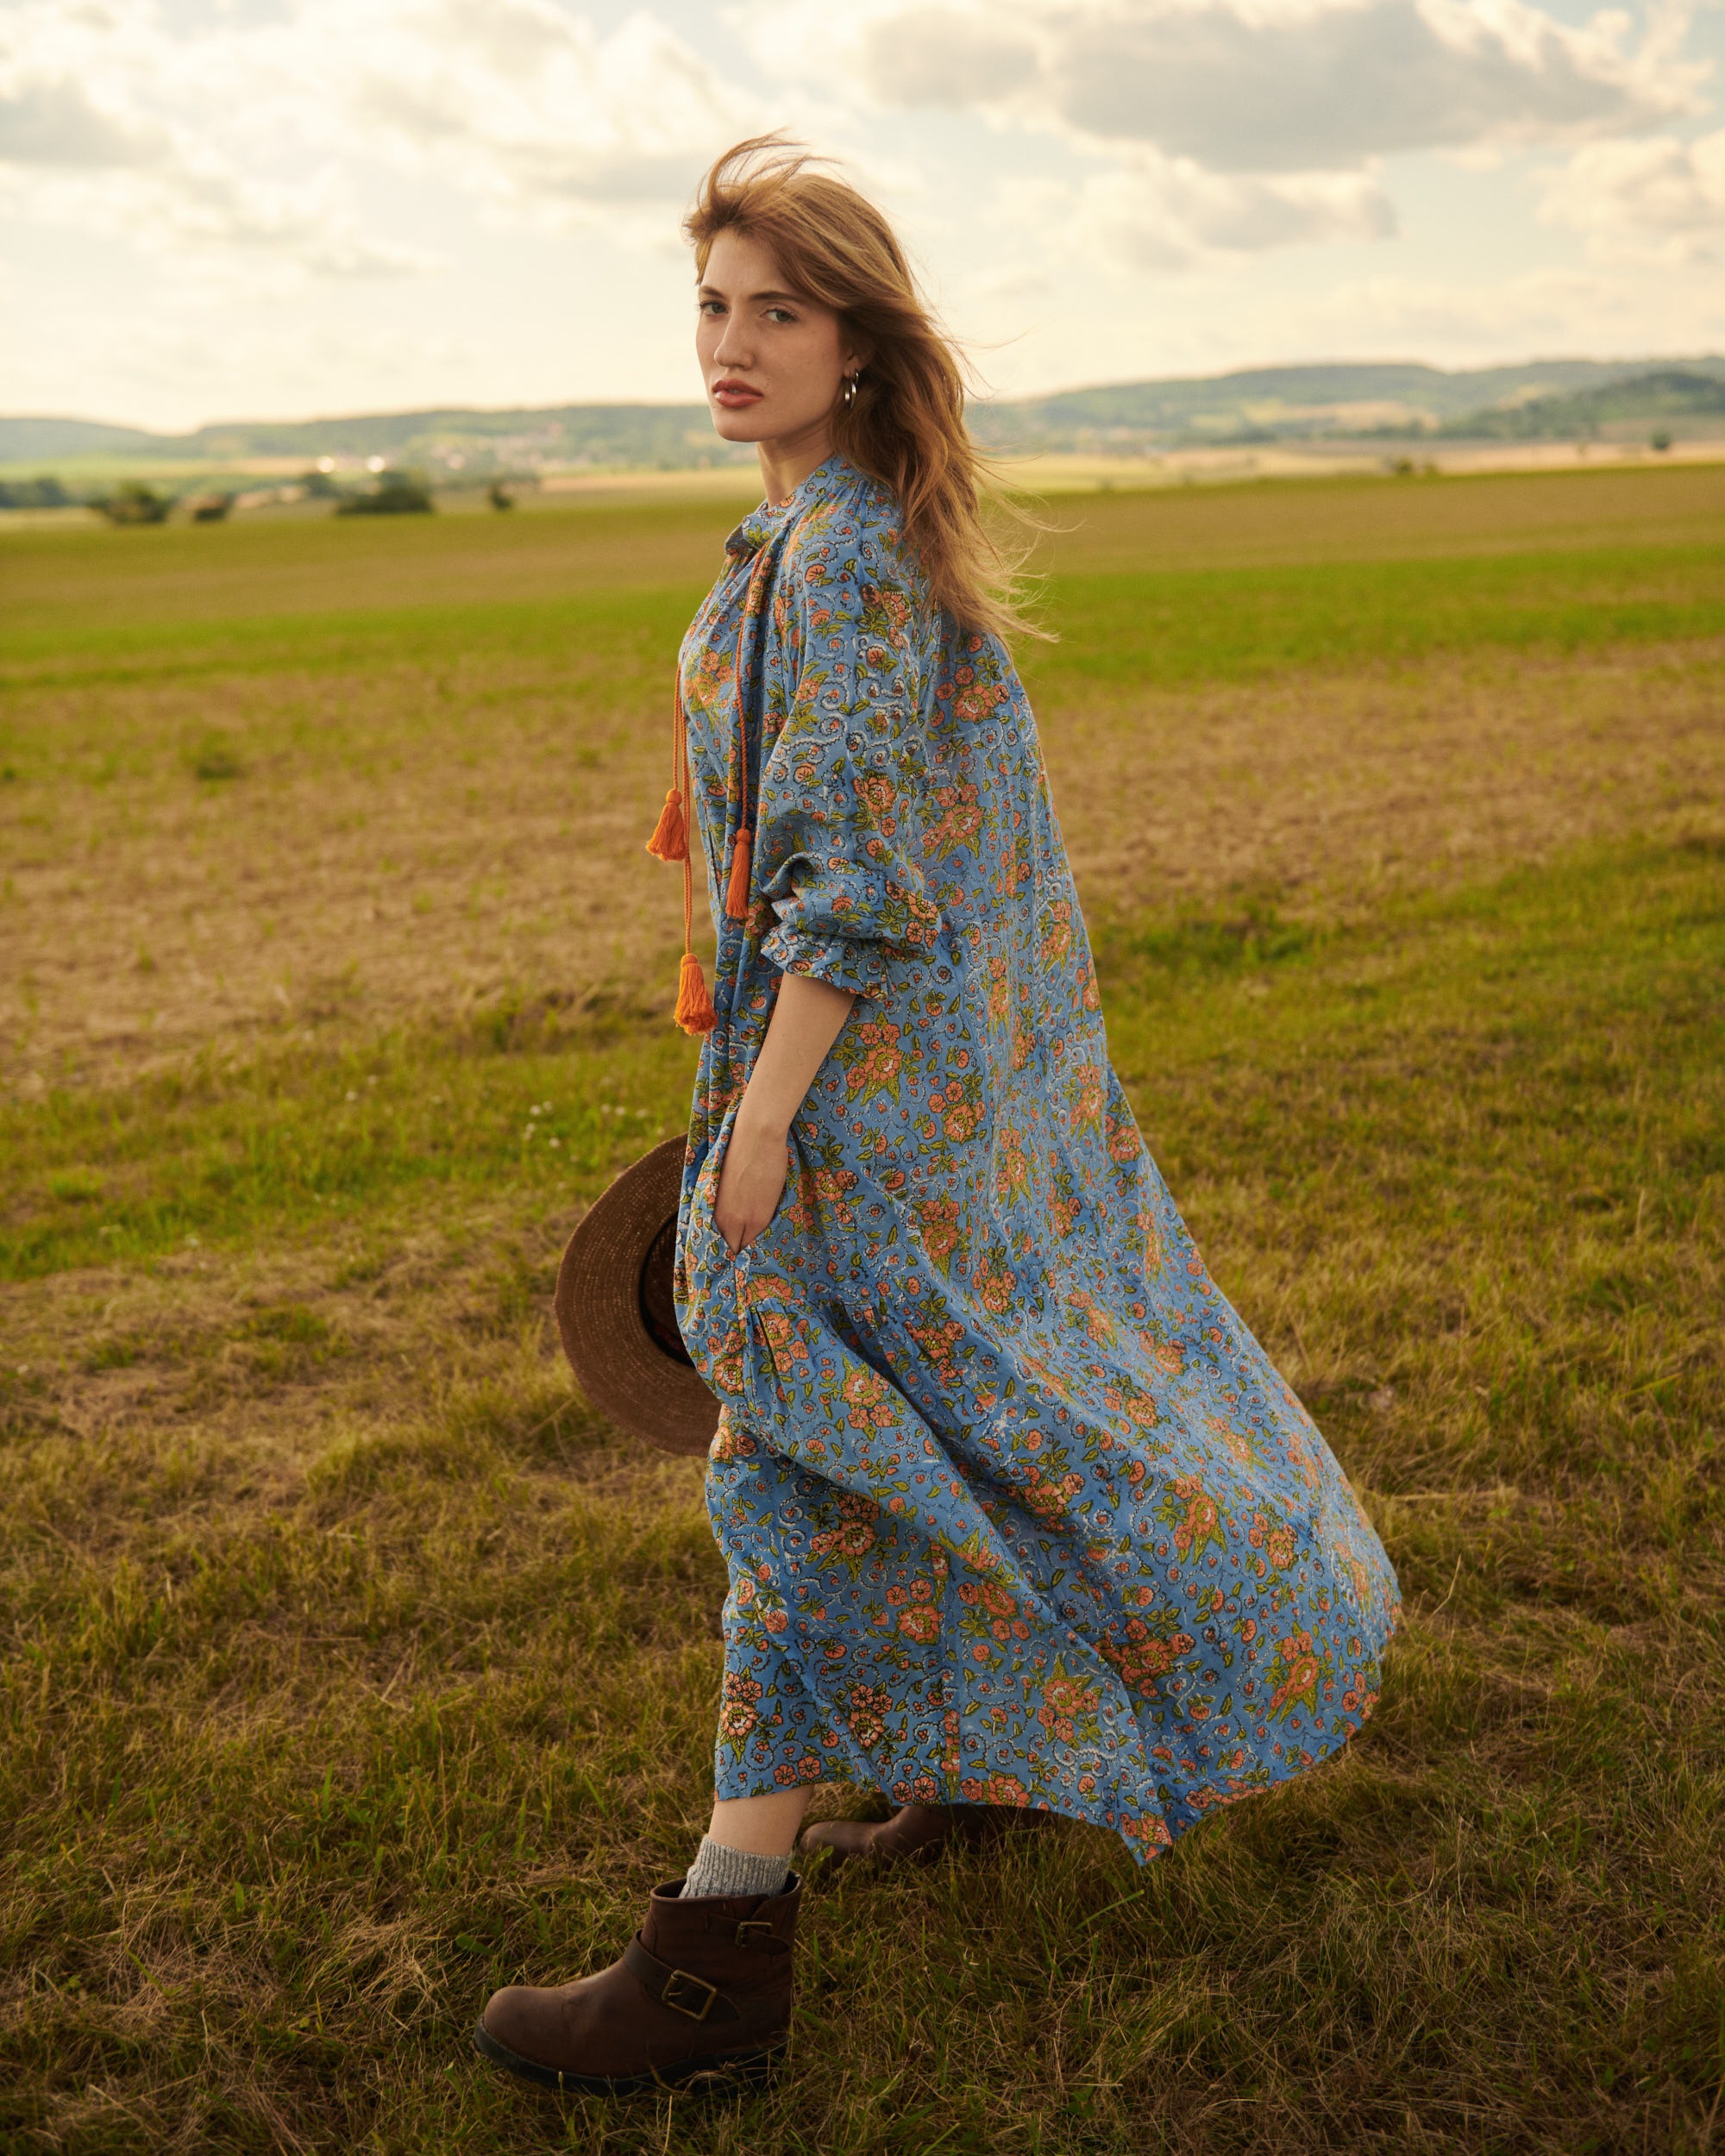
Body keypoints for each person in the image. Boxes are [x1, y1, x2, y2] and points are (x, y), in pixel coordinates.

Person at [476, 135, 1402, 2099]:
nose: (729, 344)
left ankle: (718, 1960)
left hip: (863, 1104)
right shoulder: (816, 533)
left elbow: (857, 879)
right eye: (712, 306)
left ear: (861, 346)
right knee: (929, 1436)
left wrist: (762, 1125)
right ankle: (978, 1762)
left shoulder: (844, 557)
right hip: (910, 1087)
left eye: (777, 311)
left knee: (798, 1462)